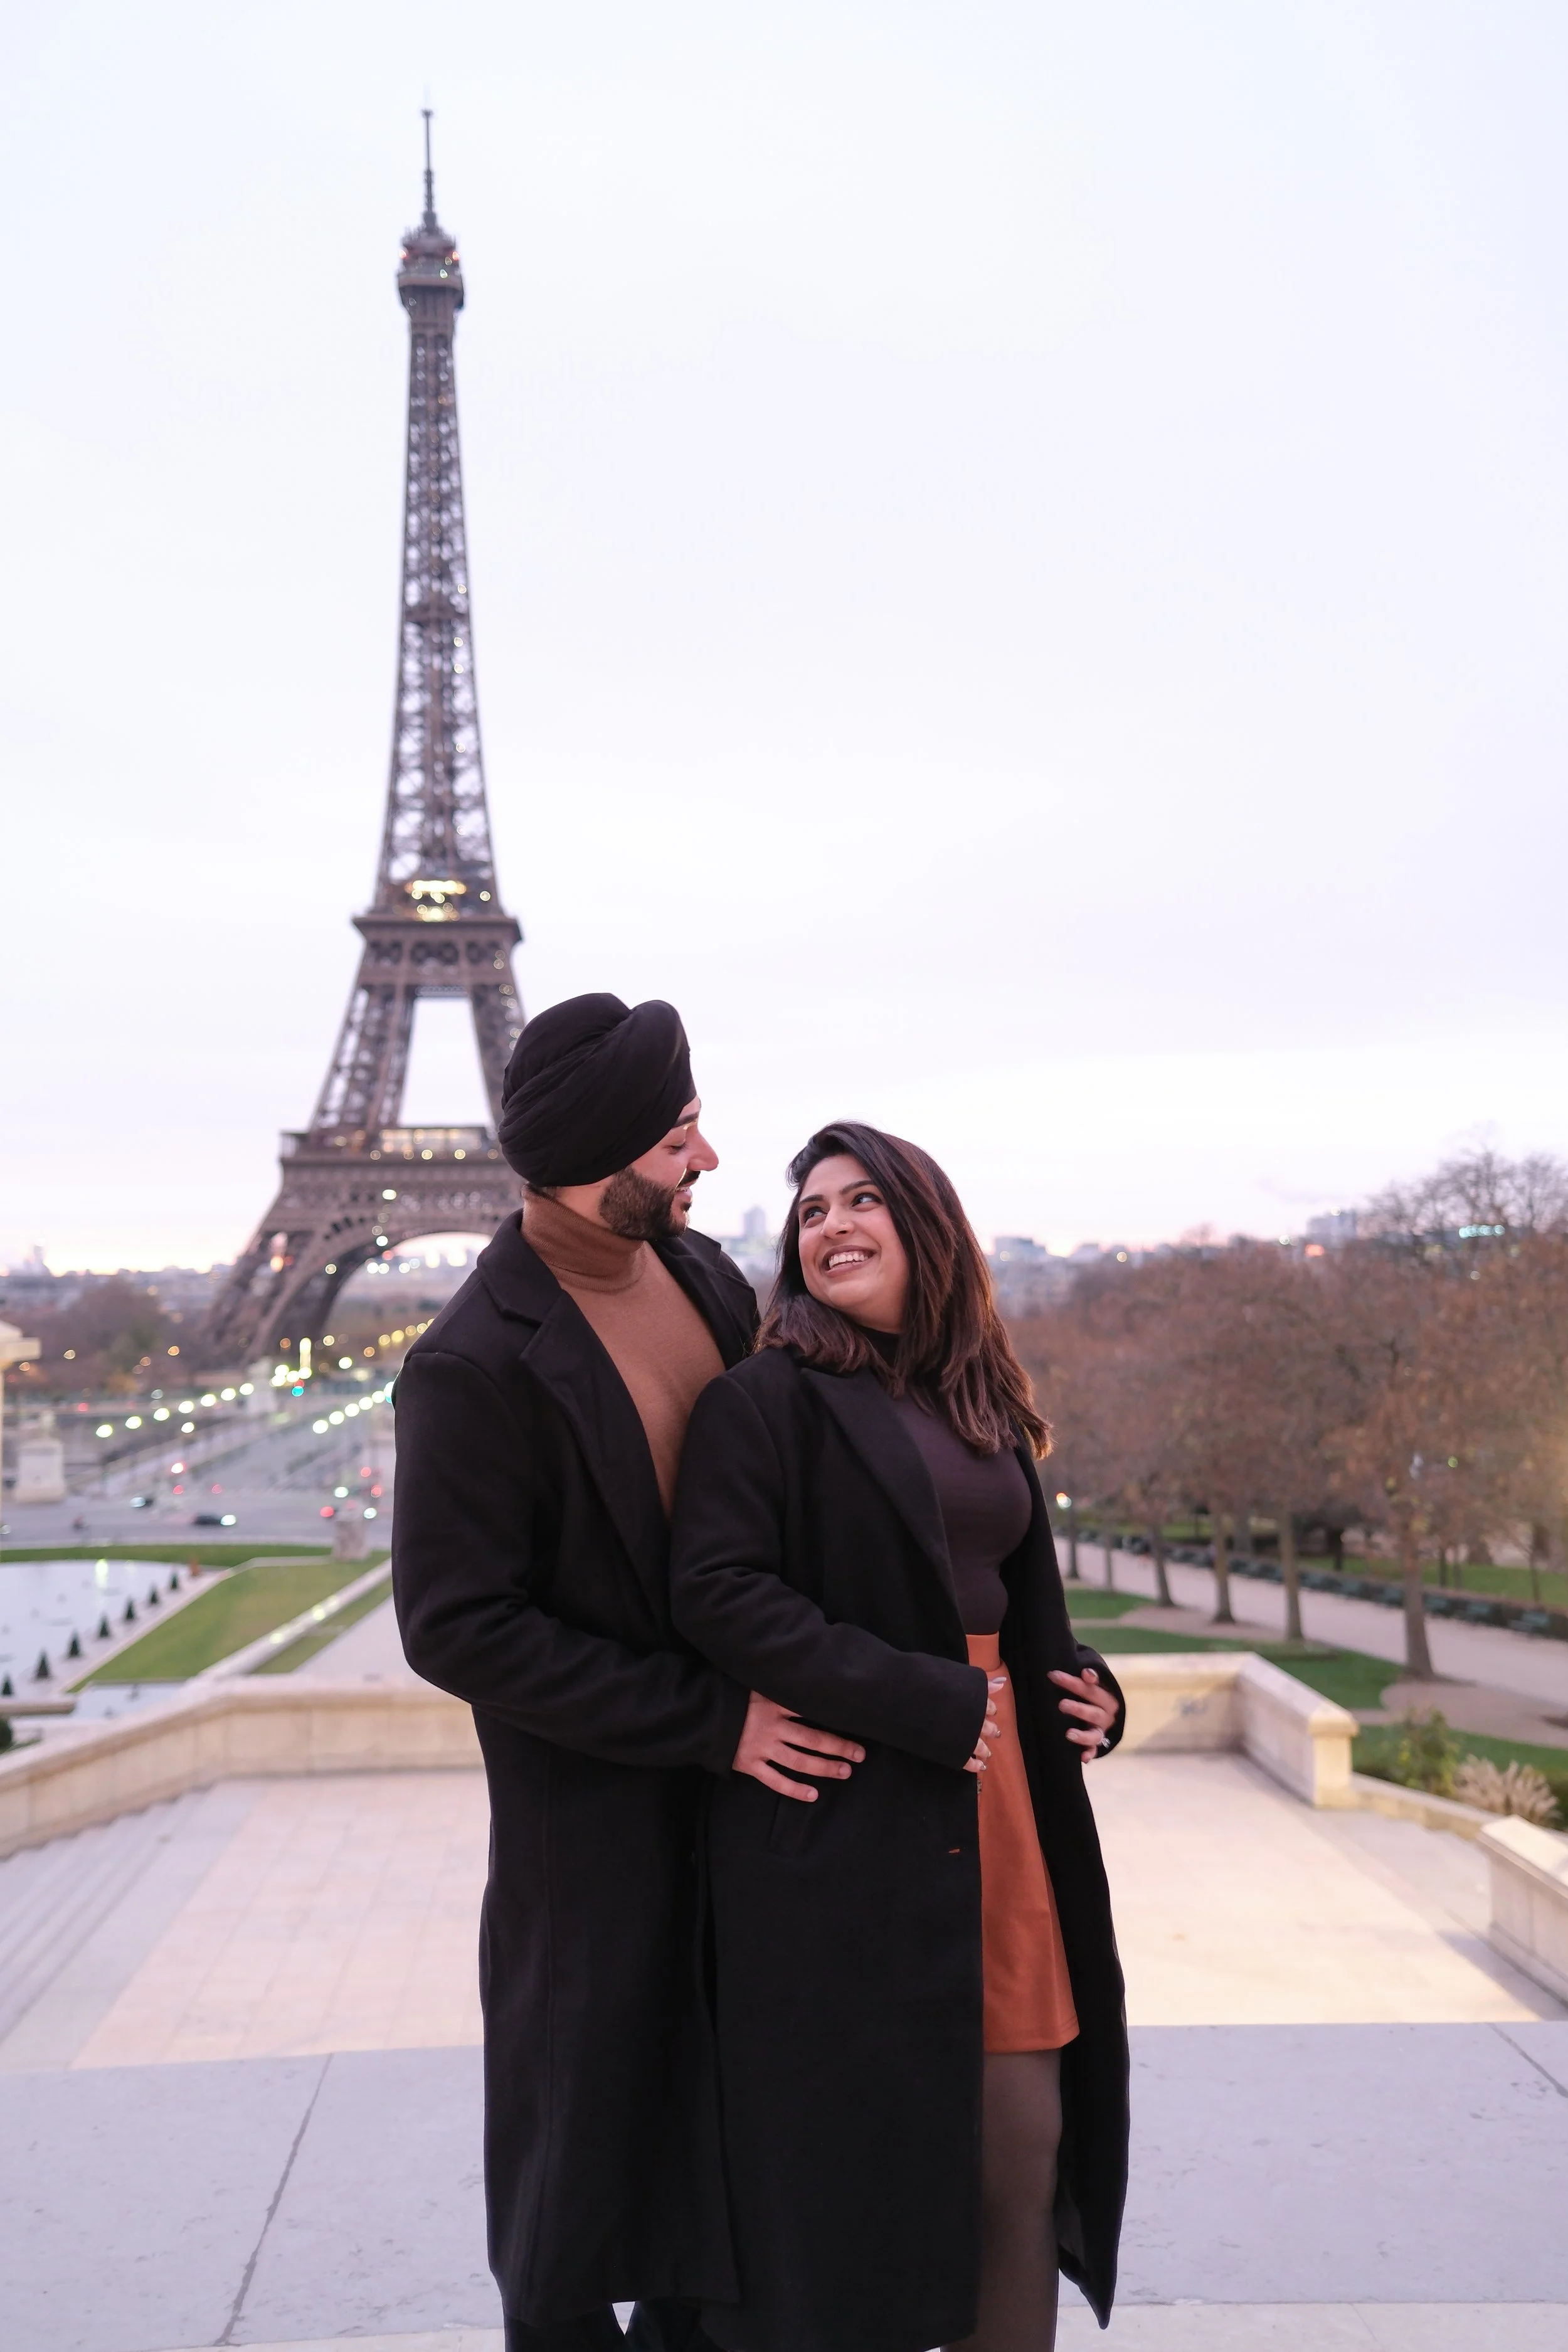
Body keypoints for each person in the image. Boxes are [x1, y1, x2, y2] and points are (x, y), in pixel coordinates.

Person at [392, 997, 863, 2352]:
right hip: (596, 1837)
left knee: (723, 2175)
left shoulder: (710, 1281)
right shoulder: (470, 1367)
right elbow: (457, 1626)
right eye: (676, 1137)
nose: (707, 1156)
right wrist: (713, 1722)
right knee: (568, 2198)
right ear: (601, 1159)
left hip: (752, 1823)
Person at [670, 1121, 1130, 2352]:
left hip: (1005, 1800)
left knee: (1022, 2154)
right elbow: (716, 1592)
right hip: (862, 1810)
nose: (831, 1225)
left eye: (860, 1199)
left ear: (923, 1225)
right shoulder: (762, 1399)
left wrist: (1080, 1684)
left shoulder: (977, 1390)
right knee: (855, 2186)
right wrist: (917, 1697)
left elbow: (1009, 1598)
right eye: (810, 1211)